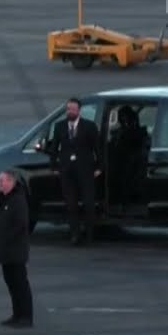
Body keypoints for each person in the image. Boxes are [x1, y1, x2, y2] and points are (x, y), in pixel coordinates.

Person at [42, 97, 101, 244]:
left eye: (73, 109)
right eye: (68, 109)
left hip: (85, 171)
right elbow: (54, 148)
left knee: (88, 203)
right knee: (71, 204)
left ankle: (89, 234)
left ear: (79, 111)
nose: (70, 112)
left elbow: (97, 148)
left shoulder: (89, 126)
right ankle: (75, 234)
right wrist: (53, 167)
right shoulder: (59, 126)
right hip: (67, 171)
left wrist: (99, 167)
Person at [0, 170, 33, 328]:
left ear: (11, 182)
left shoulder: (18, 200)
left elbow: (21, 224)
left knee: (20, 282)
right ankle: (17, 314)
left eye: (2, 181)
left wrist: (7, 238)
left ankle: (26, 316)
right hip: (4, 249)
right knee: (10, 282)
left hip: (15, 249)